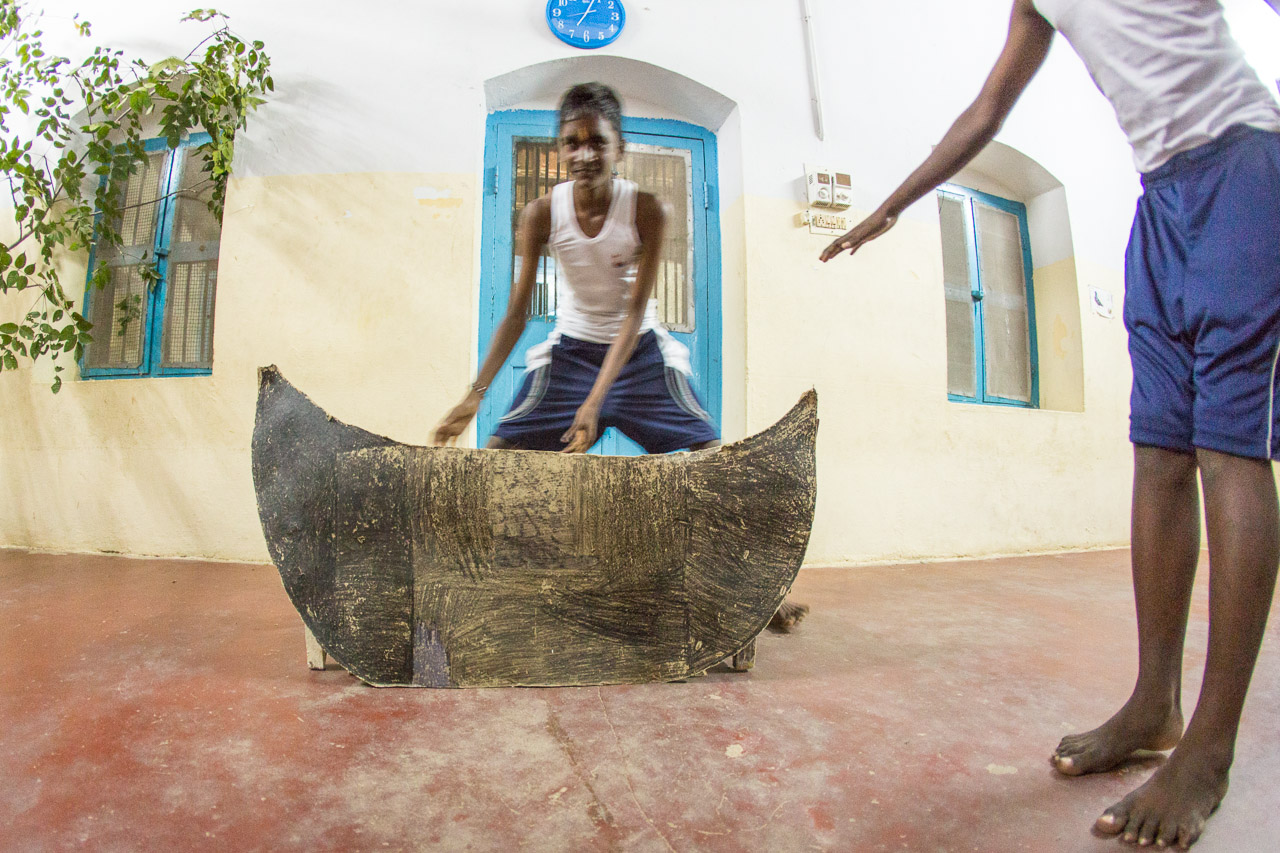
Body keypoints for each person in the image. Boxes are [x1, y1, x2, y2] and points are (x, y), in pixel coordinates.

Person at [819, 1, 1280, 848]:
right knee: (1159, 450)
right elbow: (987, 109)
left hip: (1247, 167)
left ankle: (1209, 750)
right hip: (1161, 202)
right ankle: (1155, 702)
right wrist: (894, 203)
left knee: (1229, 447)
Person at [434, 82, 808, 633]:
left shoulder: (647, 209)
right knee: (497, 457)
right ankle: (478, 588)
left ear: (619, 149)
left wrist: (595, 401)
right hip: (570, 353)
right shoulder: (542, 213)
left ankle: (760, 594)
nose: (584, 154)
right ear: (560, 148)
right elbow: (515, 314)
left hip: (639, 355)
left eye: (597, 142)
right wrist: (474, 395)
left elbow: (634, 314)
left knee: (711, 459)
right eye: (572, 142)